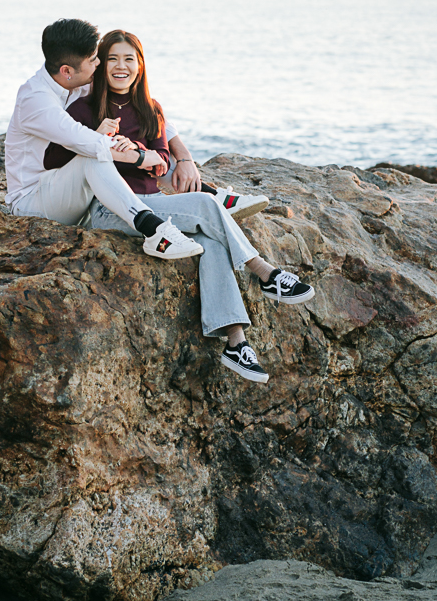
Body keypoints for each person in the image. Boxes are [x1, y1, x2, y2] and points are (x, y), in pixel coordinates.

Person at [44, 29, 316, 383]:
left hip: (154, 203)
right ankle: (264, 272)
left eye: (129, 59)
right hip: (112, 209)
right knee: (206, 204)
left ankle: (236, 342)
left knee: (213, 241)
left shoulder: (150, 108)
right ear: (101, 66)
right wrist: (96, 137)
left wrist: (138, 154)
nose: (121, 66)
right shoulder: (83, 107)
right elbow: (53, 158)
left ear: (140, 65)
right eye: (112, 59)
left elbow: (160, 163)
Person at [5, 19, 204, 261]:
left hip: (70, 192)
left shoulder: (75, 82)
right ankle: (153, 229)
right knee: (95, 156)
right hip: (33, 202)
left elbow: (150, 112)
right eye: (93, 60)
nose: (99, 64)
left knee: (137, 149)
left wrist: (184, 157)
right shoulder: (36, 101)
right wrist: (143, 156)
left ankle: (211, 194)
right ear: (67, 71)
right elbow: (90, 143)